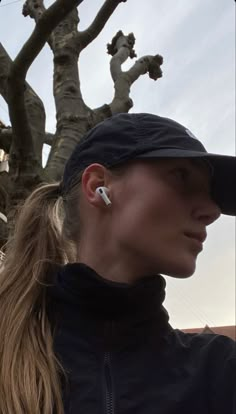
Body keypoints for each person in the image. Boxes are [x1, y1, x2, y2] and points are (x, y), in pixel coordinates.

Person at [0, 113, 235, 414]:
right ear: (99, 186)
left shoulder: (220, 371)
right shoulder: (10, 350)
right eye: (181, 177)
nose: (213, 210)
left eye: (211, 193)